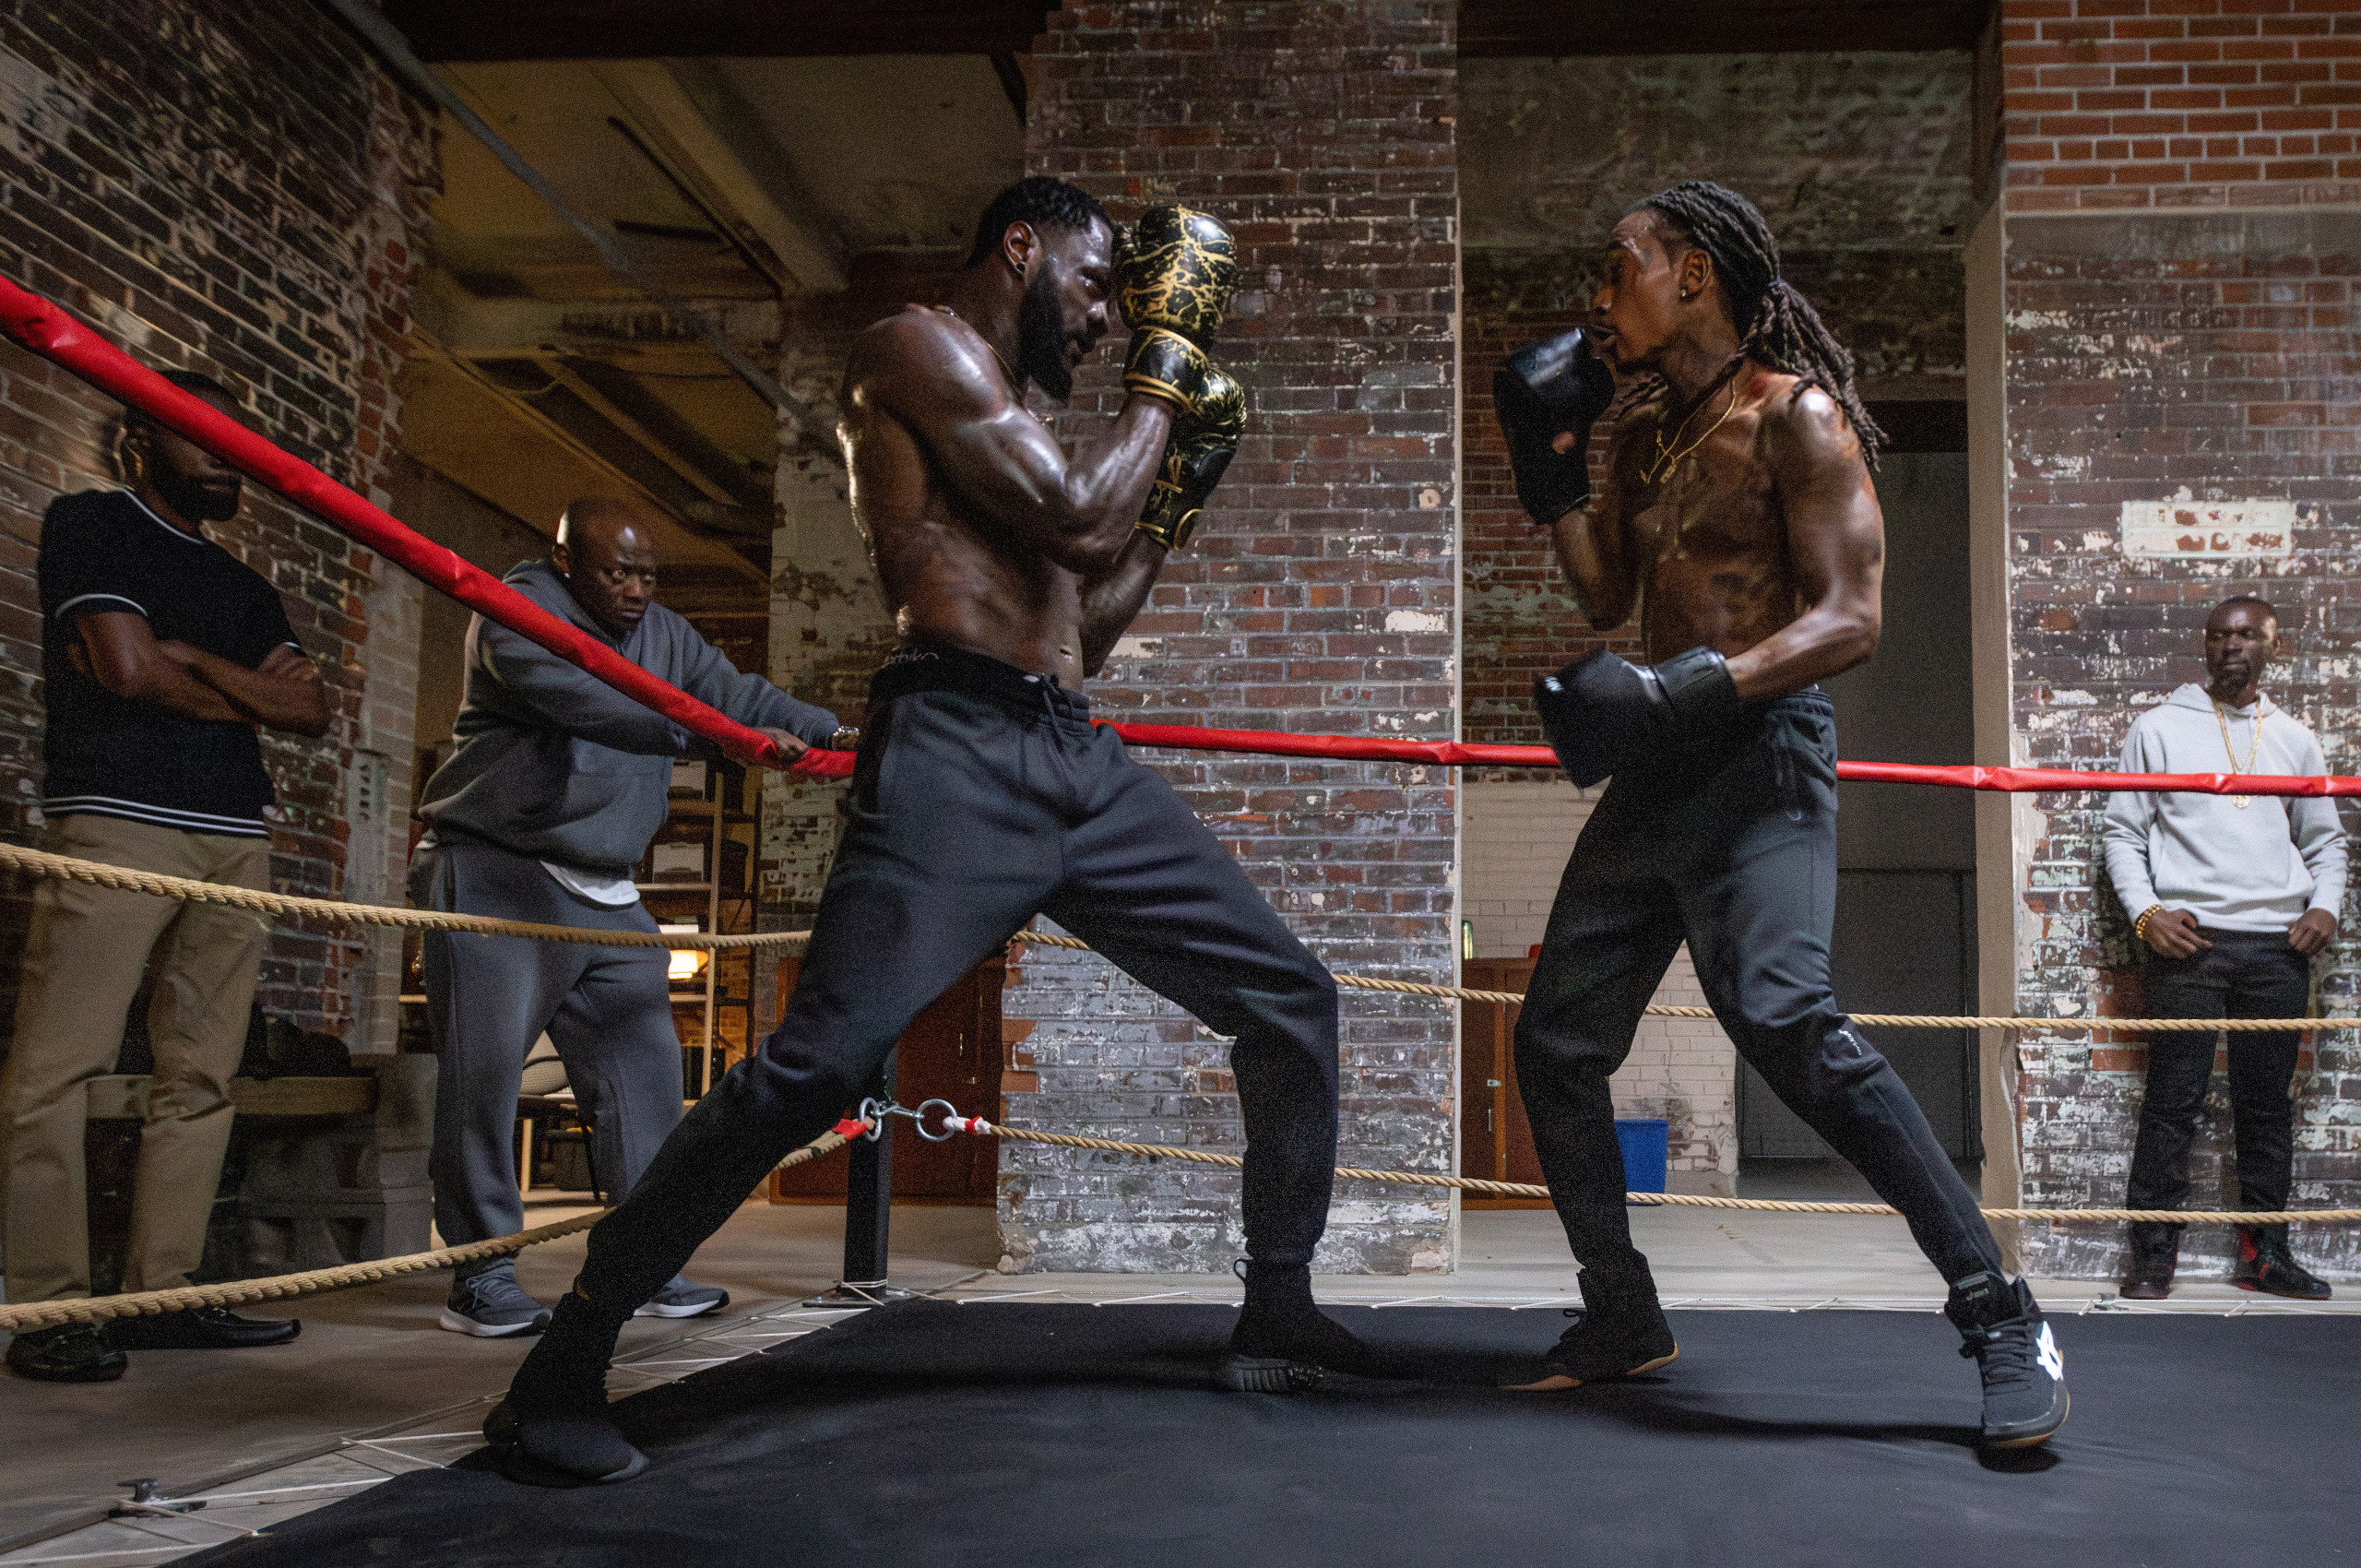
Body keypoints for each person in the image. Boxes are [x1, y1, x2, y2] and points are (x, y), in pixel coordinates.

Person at [484, 175, 1348, 1486]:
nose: (1108, 317)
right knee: (815, 1069)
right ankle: (562, 1365)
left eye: (1130, 307)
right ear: (1021, 246)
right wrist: (1172, 368)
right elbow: (1078, 513)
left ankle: (1277, 1311)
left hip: (1073, 757)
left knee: (1290, 999)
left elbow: (1087, 621)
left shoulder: (1024, 432)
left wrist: (1173, 504)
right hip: (953, 752)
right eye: (1098, 285)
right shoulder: (915, 349)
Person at [1494, 181, 2067, 1448]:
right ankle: (1621, 1312)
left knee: (1787, 1018)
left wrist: (1681, 686)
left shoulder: (1796, 418)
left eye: (1619, 268)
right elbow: (1602, 595)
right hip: (1659, 768)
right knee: (1556, 1041)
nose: (1600, 297)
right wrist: (1550, 466)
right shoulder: (1647, 437)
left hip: (1761, 756)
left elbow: (1851, 620)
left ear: (1692, 272)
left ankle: (2003, 1315)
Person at [410, 496, 845, 1336]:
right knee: (482, 1083)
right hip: (498, 872)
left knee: (645, 1078)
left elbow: (737, 692)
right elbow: (593, 702)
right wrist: (714, 736)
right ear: (566, 560)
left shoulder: (667, 634)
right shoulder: (514, 612)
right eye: (618, 572)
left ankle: (641, 1263)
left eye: (648, 574)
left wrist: (840, 735)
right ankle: (482, 1277)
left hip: (607, 890)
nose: (637, 590)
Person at [3, 371, 328, 1383]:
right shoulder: (94, 524)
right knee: (57, 1069)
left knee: (202, 1076)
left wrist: (195, 659)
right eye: (201, 435)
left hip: (235, 840)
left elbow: (311, 709)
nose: (227, 457)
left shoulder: (243, 586)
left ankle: (163, 1294)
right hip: (117, 822)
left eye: (239, 441)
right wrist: (244, 693)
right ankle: (47, 1310)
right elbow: (128, 670)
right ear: (143, 439)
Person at [2100, 595, 2343, 1301]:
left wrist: (2325, 906)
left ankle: (2265, 1256)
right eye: (2218, 635)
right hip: (2189, 944)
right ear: (2205, 645)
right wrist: (2146, 914)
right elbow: (2123, 832)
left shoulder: (2294, 737)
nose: (2230, 645)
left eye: (2246, 635)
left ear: (2273, 646)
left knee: (2266, 1107)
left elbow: (2326, 842)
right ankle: (2152, 1256)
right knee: (2172, 1101)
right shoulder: (2158, 727)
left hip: (2277, 947)